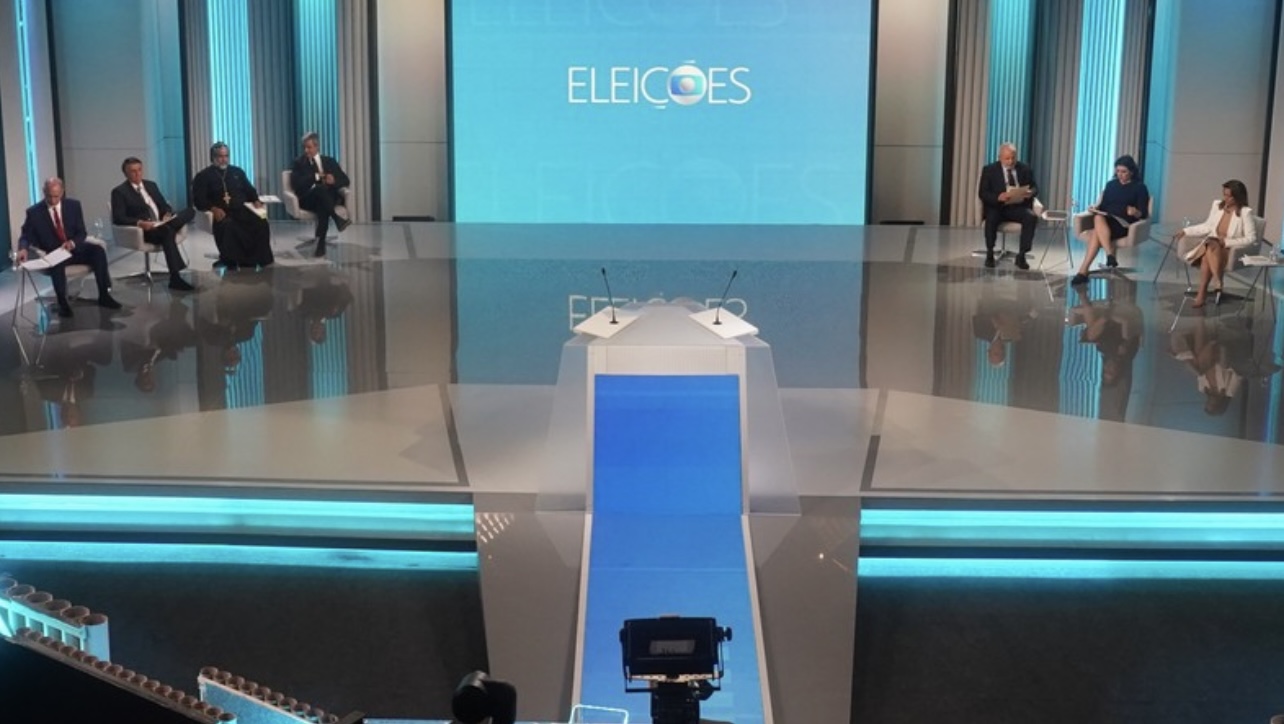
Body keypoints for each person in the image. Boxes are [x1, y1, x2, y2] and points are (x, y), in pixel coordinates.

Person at [15, 177, 122, 317]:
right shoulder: (34, 212)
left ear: (62, 192)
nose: (52, 200)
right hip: (54, 252)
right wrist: (23, 249)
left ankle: (104, 295)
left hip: (74, 248)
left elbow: (81, 232)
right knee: (56, 262)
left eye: (56, 196)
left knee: (98, 251)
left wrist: (72, 243)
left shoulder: (73, 206)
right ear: (44, 192)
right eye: (49, 196)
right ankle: (62, 303)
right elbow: (26, 235)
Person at [110, 156, 197, 291]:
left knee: (190, 211)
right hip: (146, 230)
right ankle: (175, 278)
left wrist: (167, 214)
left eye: (139, 170)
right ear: (126, 174)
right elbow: (118, 218)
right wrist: (140, 223)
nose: (137, 173)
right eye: (133, 171)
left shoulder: (151, 185)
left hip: (161, 223)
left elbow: (164, 205)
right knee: (167, 231)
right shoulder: (119, 192)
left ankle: (170, 225)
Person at [1174, 179, 1257, 308]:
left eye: (1229, 196)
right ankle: (1218, 282)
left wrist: (1226, 241)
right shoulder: (1218, 206)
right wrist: (1186, 231)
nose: (1225, 198)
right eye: (1224, 194)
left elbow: (1251, 238)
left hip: (1229, 249)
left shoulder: (1245, 212)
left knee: (1208, 253)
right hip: (1212, 244)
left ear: (1238, 197)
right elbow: (1207, 226)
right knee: (1211, 244)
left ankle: (1202, 294)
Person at [191, 142, 274, 269]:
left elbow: (249, 190)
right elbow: (199, 200)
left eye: (226, 156)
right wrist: (213, 208)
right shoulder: (203, 176)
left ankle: (257, 259)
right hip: (222, 212)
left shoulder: (237, 172)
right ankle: (231, 260)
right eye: (220, 156)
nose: (224, 159)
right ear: (212, 157)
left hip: (241, 209)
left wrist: (256, 200)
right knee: (228, 225)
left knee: (261, 222)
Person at [1071, 154, 1149, 285]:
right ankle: (1093, 266)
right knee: (1098, 218)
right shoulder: (1111, 185)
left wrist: (1135, 212)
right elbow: (1103, 206)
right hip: (1107, 220)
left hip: (1123, 224)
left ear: (1131, 172)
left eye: (1124, 172)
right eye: (1118, 171)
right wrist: (1095, 208)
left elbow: (1144, 213)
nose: (1120, 174)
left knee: (1097, 227)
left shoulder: (1139, 188)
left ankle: (1088, 268)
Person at [977, 142, 1040, 269]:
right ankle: (990, 252)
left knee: (1031, 217)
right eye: (1007, 158)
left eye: (1013, 158)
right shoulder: (989, 170)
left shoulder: (1025, 169)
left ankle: (1021, 255)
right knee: (991, 218)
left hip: (1018, 207)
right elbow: (983, 193)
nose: (1010, 161)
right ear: (999, 157)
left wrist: (1030, 192)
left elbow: (1035, 187)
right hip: (998, 207)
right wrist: (998, 197)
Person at [289, 131, 351, 257]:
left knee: (323, 205)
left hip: (327, 198)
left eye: (309, 147)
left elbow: (345, 180)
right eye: (304, 147)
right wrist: (316, 176)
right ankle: (336, 219)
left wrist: (334, 181)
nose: (306, 150)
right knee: (319, 189)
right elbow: (296, 184)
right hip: (308, 198)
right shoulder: (299, 163)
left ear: (317, 146)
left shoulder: (330, 161)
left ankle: (320, 243)